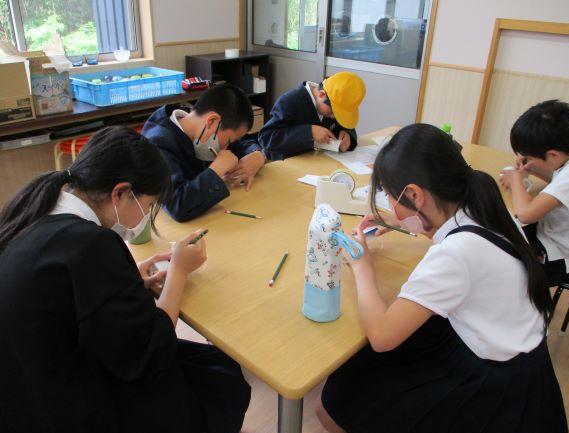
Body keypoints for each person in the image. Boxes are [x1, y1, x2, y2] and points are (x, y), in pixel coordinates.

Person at [316, 124, 567, 433]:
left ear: (415, 195)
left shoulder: (455, 255)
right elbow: (455, 235)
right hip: (516, 352)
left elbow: (381, 336)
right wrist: (405, 220)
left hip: (498, 384)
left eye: (391, 197)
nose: (390, 204)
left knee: (339, 396)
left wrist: (361, 265)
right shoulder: (483, 201)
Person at [0, 126, 250, 433]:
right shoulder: (90, 244)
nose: (147, 215)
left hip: (27, 382)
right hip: (62, 405)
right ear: (120, 193)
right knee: (221, 379)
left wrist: (128, 282)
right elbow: (150, 354)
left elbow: (72, 299)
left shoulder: (37, 206)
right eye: (149, 205)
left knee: (206, 362)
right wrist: (179, 272)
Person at [142, 84, 267, 222]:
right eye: (229, 140)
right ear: (212, 121)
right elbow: (178, 205)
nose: (226, 147)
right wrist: (216, 170)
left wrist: (257, 155)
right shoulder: (158, 144)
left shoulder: (195, 121)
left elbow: (243, 144)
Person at [500, 99, 569, 286]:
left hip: (563, 255)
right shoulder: (568, 161)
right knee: (499, 232)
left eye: (529, 157)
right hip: (552, 234)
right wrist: (534, 168)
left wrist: (515, 179)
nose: (525, 160)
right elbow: (559, 184)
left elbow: (526, 214)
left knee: (503, 266)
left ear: (553, 155)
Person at [258, 71, 366, 160]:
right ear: (321, 94)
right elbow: (267, 138)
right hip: (289, 164)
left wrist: (348, 137)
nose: (334, 117)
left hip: (319, 162)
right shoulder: (289, 102)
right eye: (333, 112)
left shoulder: (333, 102)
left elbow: (348, 128)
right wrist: (309, 132)